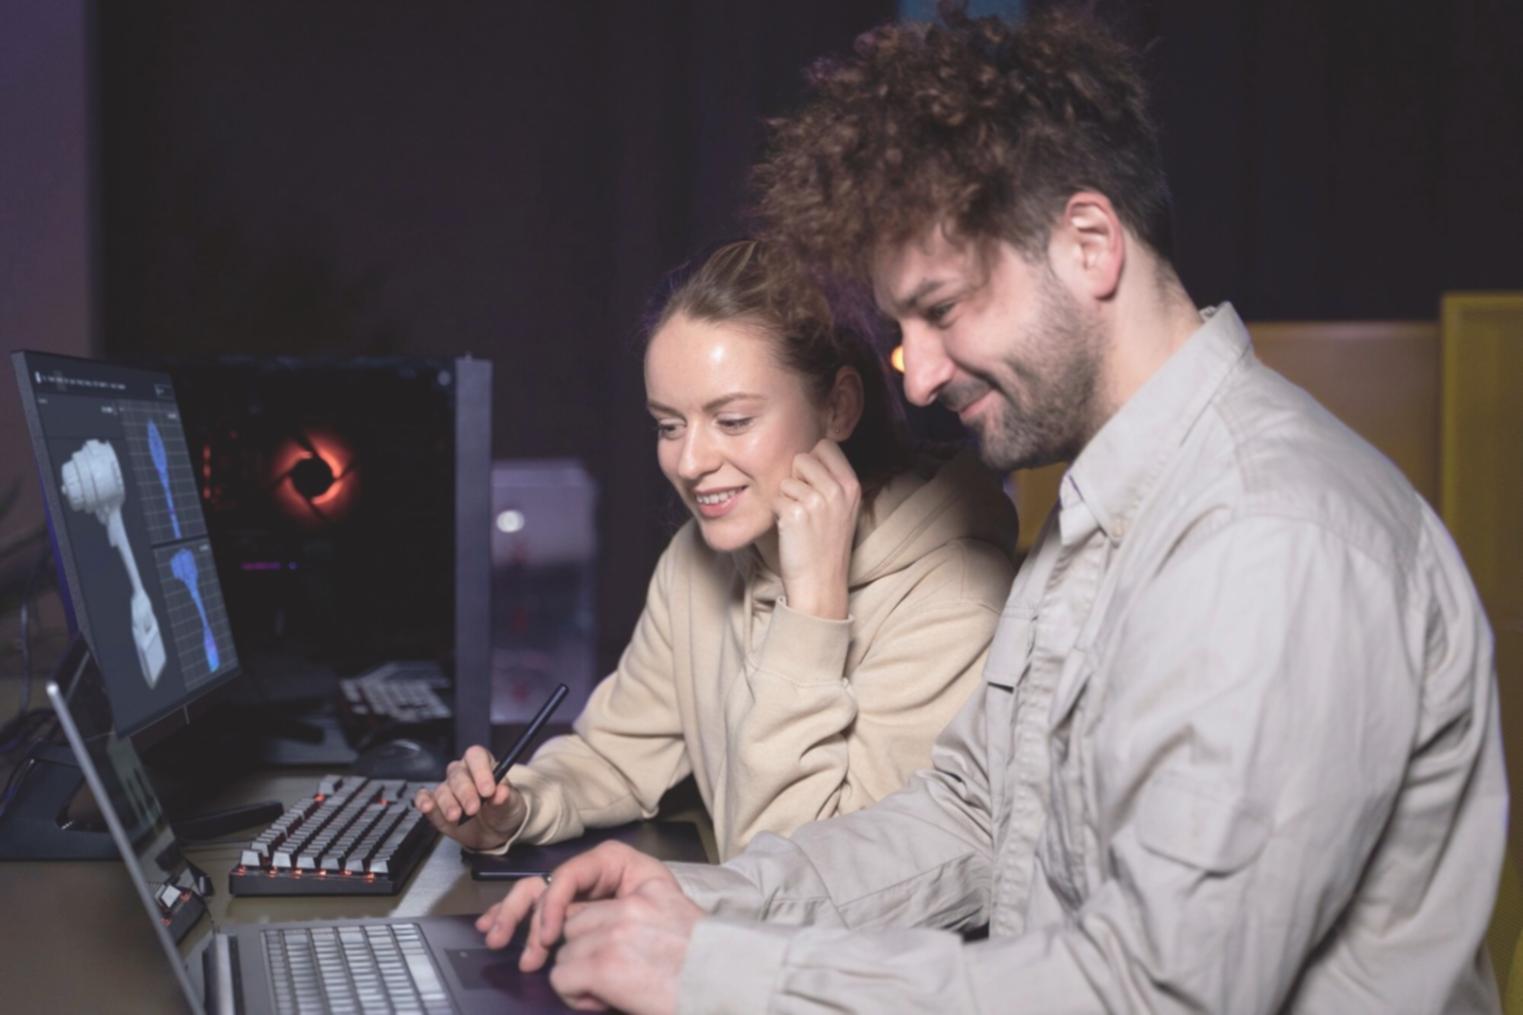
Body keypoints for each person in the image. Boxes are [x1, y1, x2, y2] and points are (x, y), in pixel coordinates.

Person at [472, 9, 1509, 1014]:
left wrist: (717, 975)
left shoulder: (1269, 538)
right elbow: (970, 814)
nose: (917, 377)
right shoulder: (1100, 512)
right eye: (901, 328)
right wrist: (704, 900)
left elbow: (1154, 992)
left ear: (1088, 243)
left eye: (941, 310)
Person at [416, 238, 1018, 862]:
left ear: (838, 408)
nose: (690, 463)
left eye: (732, 421)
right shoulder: (696, 562)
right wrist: (519, 805)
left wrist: (812, 611)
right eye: (669, 425)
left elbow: (798, 874)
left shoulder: (955, 602)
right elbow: (616, 757)